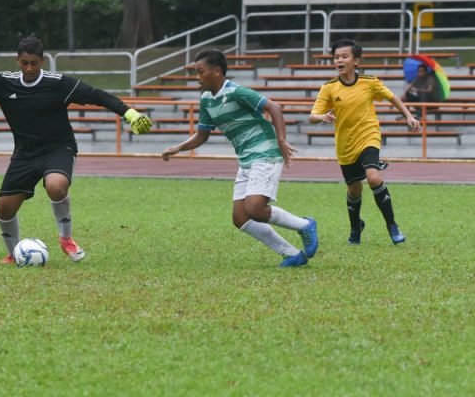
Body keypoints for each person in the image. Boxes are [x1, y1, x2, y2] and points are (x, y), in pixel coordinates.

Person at [0, 36, 152, 264]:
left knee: (56, 186)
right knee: (4, 208)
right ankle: (14, 254)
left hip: (58, 148)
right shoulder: (4, 83)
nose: (29, 68)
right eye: (24, 63)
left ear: (42, 61)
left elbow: (97, 95)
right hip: (25, 154)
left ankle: (66, 238)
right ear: (18, 60)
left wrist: (129, 113)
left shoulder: (59, 84)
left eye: (34, 63)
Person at [161, 49, 318, 268]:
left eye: (200, 72)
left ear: (216, 71)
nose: (197, 77)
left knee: (254, 208)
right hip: (246, 160)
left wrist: (281, 140)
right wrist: (178, 148)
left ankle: (305, 225)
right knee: (240, 218)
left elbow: (274, 107)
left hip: (265, 153)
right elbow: (202, 135)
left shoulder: (236, 92)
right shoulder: (207, 99)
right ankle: (292, 254)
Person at [309, 39, 421, 245]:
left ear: (356, 61)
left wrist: (408, 116)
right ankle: (355, 228)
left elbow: (392, 97)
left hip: (368, 137)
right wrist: (322, 117)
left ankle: (392, 226)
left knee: (373, 177)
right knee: (354, 189)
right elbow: (313, 115)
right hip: (345, 145)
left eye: (344, 56)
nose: (339, 60)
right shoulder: (329, 88)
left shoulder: (370, 82)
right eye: (336, 57)